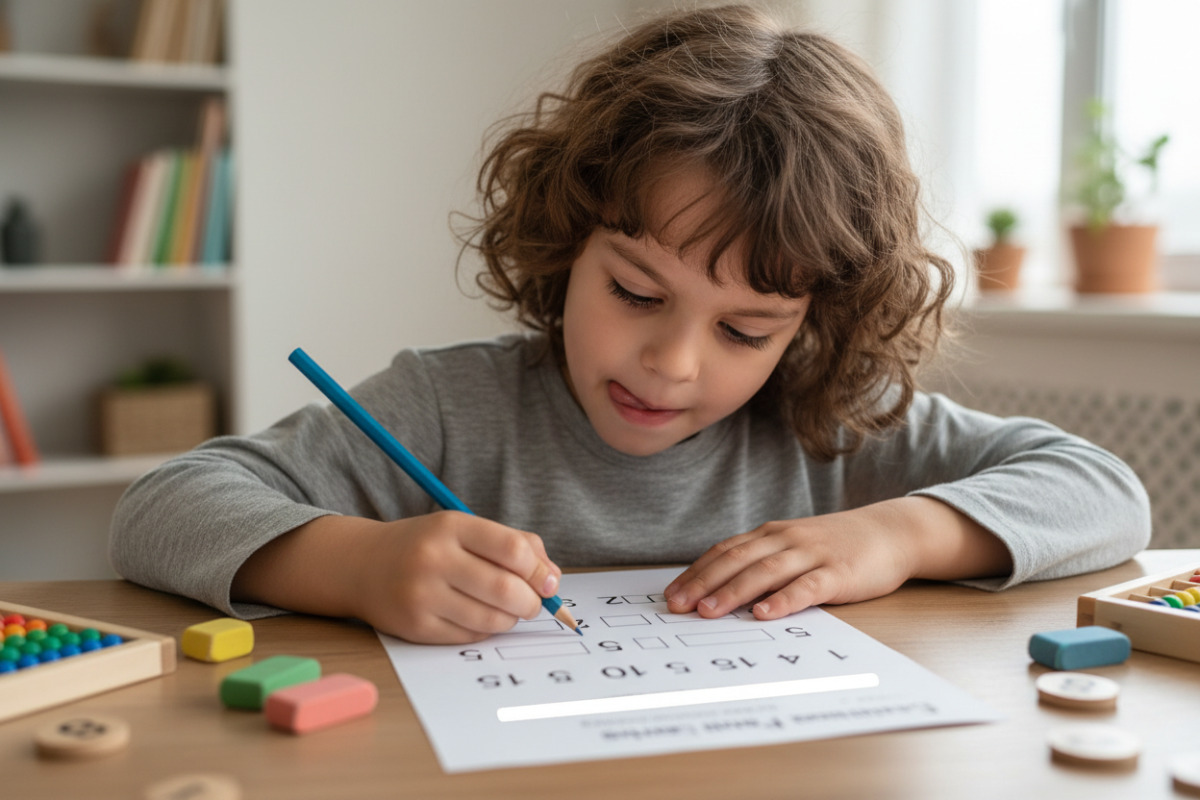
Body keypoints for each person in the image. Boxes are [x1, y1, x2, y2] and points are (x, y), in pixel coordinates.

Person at [109, 5, 1150, 645]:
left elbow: (1105, 492)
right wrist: (355, 566)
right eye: (639, 294)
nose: (673, 361)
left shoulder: (832, 422)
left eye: (746, 331)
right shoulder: (449, 405)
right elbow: (162, 508)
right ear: (567, 241)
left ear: (810, 324)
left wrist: (896, 534)